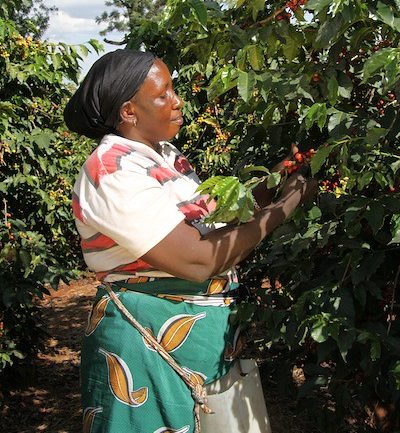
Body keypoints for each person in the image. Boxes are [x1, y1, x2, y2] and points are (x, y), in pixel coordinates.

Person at [64, 49, 316, 433]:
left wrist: (276, 181)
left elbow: (215, 221)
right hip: (146, 348)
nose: (178, 101)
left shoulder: (163, 156)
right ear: (129, 111)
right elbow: (197, 258)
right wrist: (284, 207)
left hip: (197, 345)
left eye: (174, 90)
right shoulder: (111, 170)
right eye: (163, 94)